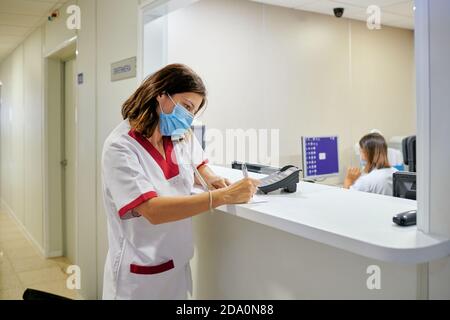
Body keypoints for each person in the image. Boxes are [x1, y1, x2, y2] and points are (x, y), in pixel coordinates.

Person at [101, 64, 260, 300]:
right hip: (140, 275)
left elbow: (198, 163)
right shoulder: (121, 147)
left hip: (176, 268)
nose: (188, 118)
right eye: (186, 106)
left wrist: (211, 178)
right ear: (161, 94)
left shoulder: (176, 136)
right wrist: (223, 196)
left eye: (193, 112)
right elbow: (152, 210)